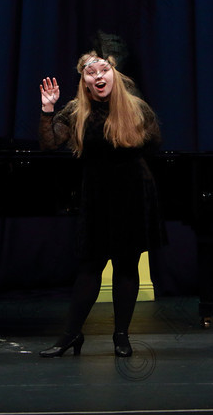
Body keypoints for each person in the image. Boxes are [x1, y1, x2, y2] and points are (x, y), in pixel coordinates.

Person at [38, 48, 163, 357]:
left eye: (103, 71)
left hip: (132, 192)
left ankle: (121, 336)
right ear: (85, 81)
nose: (98, 77)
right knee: (90, 267)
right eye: (91, 74)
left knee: (126, 265)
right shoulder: (75, 110)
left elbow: (153, 143)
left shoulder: (136, 107)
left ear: (113, 75)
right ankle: (70, 335)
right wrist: (48, 109)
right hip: (96, 194)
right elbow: (50, 143)